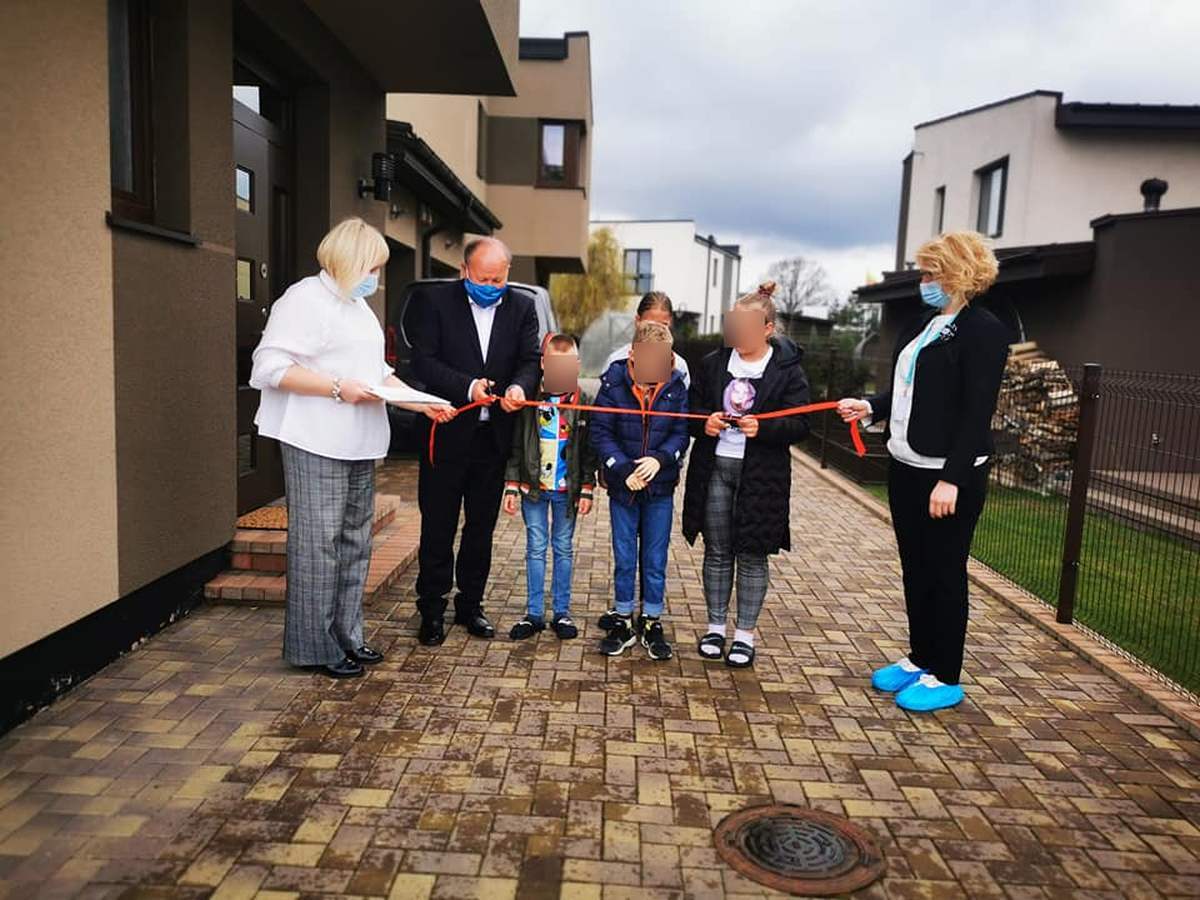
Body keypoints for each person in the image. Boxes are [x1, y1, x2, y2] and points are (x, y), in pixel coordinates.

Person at [249, 217, 454, 679]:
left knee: (355, 542)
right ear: (349, 261)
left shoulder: (356, 306)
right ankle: (315, 646)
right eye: (373, 268)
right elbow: (267, 368)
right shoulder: (304, 300)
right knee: (318, 545)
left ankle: (348, 635)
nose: (376, 279)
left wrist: (422, 404)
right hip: (314, 439)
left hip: (359, 443)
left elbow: (379, 373)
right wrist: (338, 388)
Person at [837, 231, 1010, 712]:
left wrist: (952, 478)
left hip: (949, 474)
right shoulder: (922, 324)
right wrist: (868, 407)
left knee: (945, 572)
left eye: (932, 272)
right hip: (907, 465)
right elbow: (908, 394)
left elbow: (976, 411)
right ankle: (920, 658)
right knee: (915, 568)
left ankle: (947, 674)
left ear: (957, 273)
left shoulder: (985, 331)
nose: (924, 281)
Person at [407, 237, 541, 647]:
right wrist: (466, 387)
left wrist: (519, 387)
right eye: (483, 278)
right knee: (438, 525)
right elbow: (423, 362)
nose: (491, 285)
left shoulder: (522, 306)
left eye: (498, 279)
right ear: (465, 271)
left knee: (481, 528)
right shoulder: (434, 303)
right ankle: (431, 609)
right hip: (445, 435)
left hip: (493, 438)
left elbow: (531, 360)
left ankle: (471, 606)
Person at [682, 281, 811, 668]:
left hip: (761, 476)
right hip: (715, 468)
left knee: (752, 554)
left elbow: (801, 422)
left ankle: (744, 635)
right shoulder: (712, 364)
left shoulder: (787, 370)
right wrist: (704, 422)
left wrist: (766, 429)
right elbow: (691, 412)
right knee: (717, 551)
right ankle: (715, 628)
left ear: (767, 328)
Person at [591, 320, 690, 659]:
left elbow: (681, 432)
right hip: (624, 489)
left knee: (655, 557)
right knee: (624, 556)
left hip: (660, 489)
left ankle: (650, 619)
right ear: (633, 355)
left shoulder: (677, 385)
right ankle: (622, 619)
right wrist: (621, 470)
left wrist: (661, 460)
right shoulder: (612, 383)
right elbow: (601, 432)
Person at [502, 334, 598, 640]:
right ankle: (533, 613)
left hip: (565, 491)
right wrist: (512, 483)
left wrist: (586, 486)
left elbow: (588, 449)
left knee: (563, 548)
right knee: (535, 547)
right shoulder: (530, 399)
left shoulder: (584, 402)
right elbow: (518, 443)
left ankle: (562, 612)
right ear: (543, 364)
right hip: (534, 488)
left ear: (577, 366)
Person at [603, 291, 692, 387]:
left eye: (663, 325)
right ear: (637, 321)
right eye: (650, 324)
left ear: (670, 323)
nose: (656, 330)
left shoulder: (679, 366)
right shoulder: (616, 360)